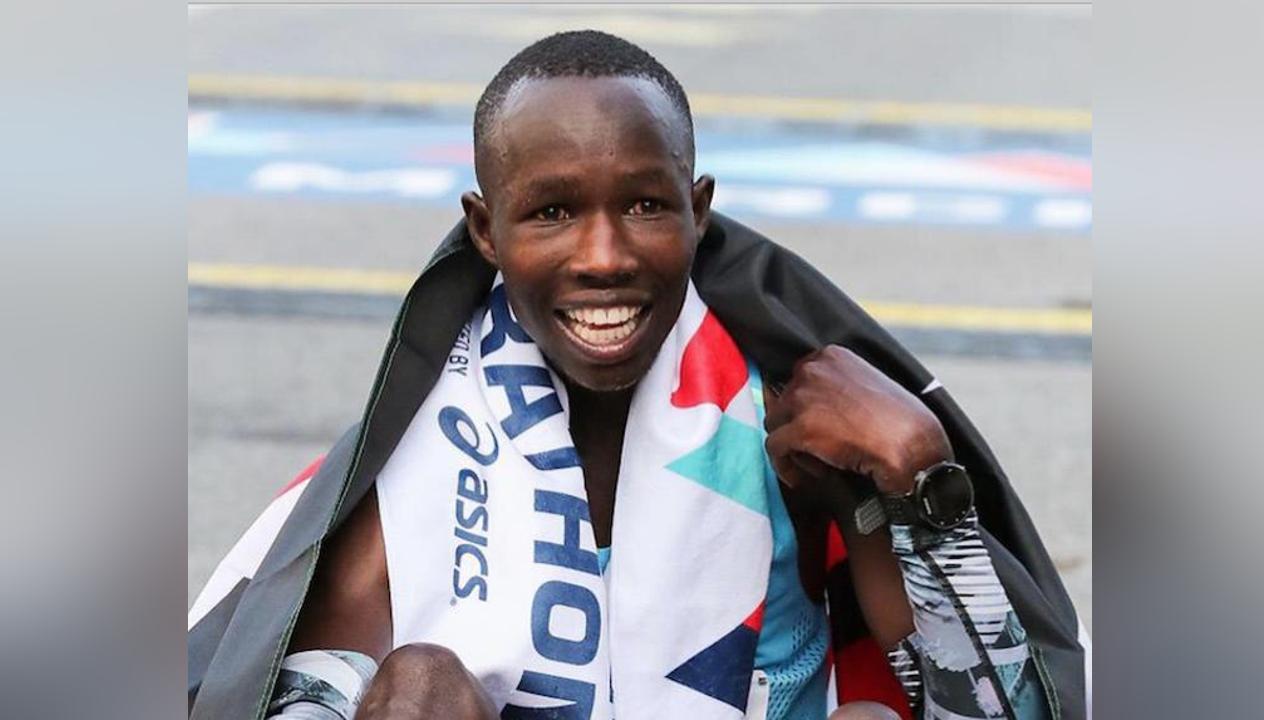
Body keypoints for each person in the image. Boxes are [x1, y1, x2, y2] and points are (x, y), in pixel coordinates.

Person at [188, 31, 1089, 720]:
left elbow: (1001, 712)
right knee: (417, 687)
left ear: (699, 212)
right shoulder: (422, 449)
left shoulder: (789, 415)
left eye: (647, 205)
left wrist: (921, 480)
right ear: (485, 231)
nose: (604, 256)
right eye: (552, 212)